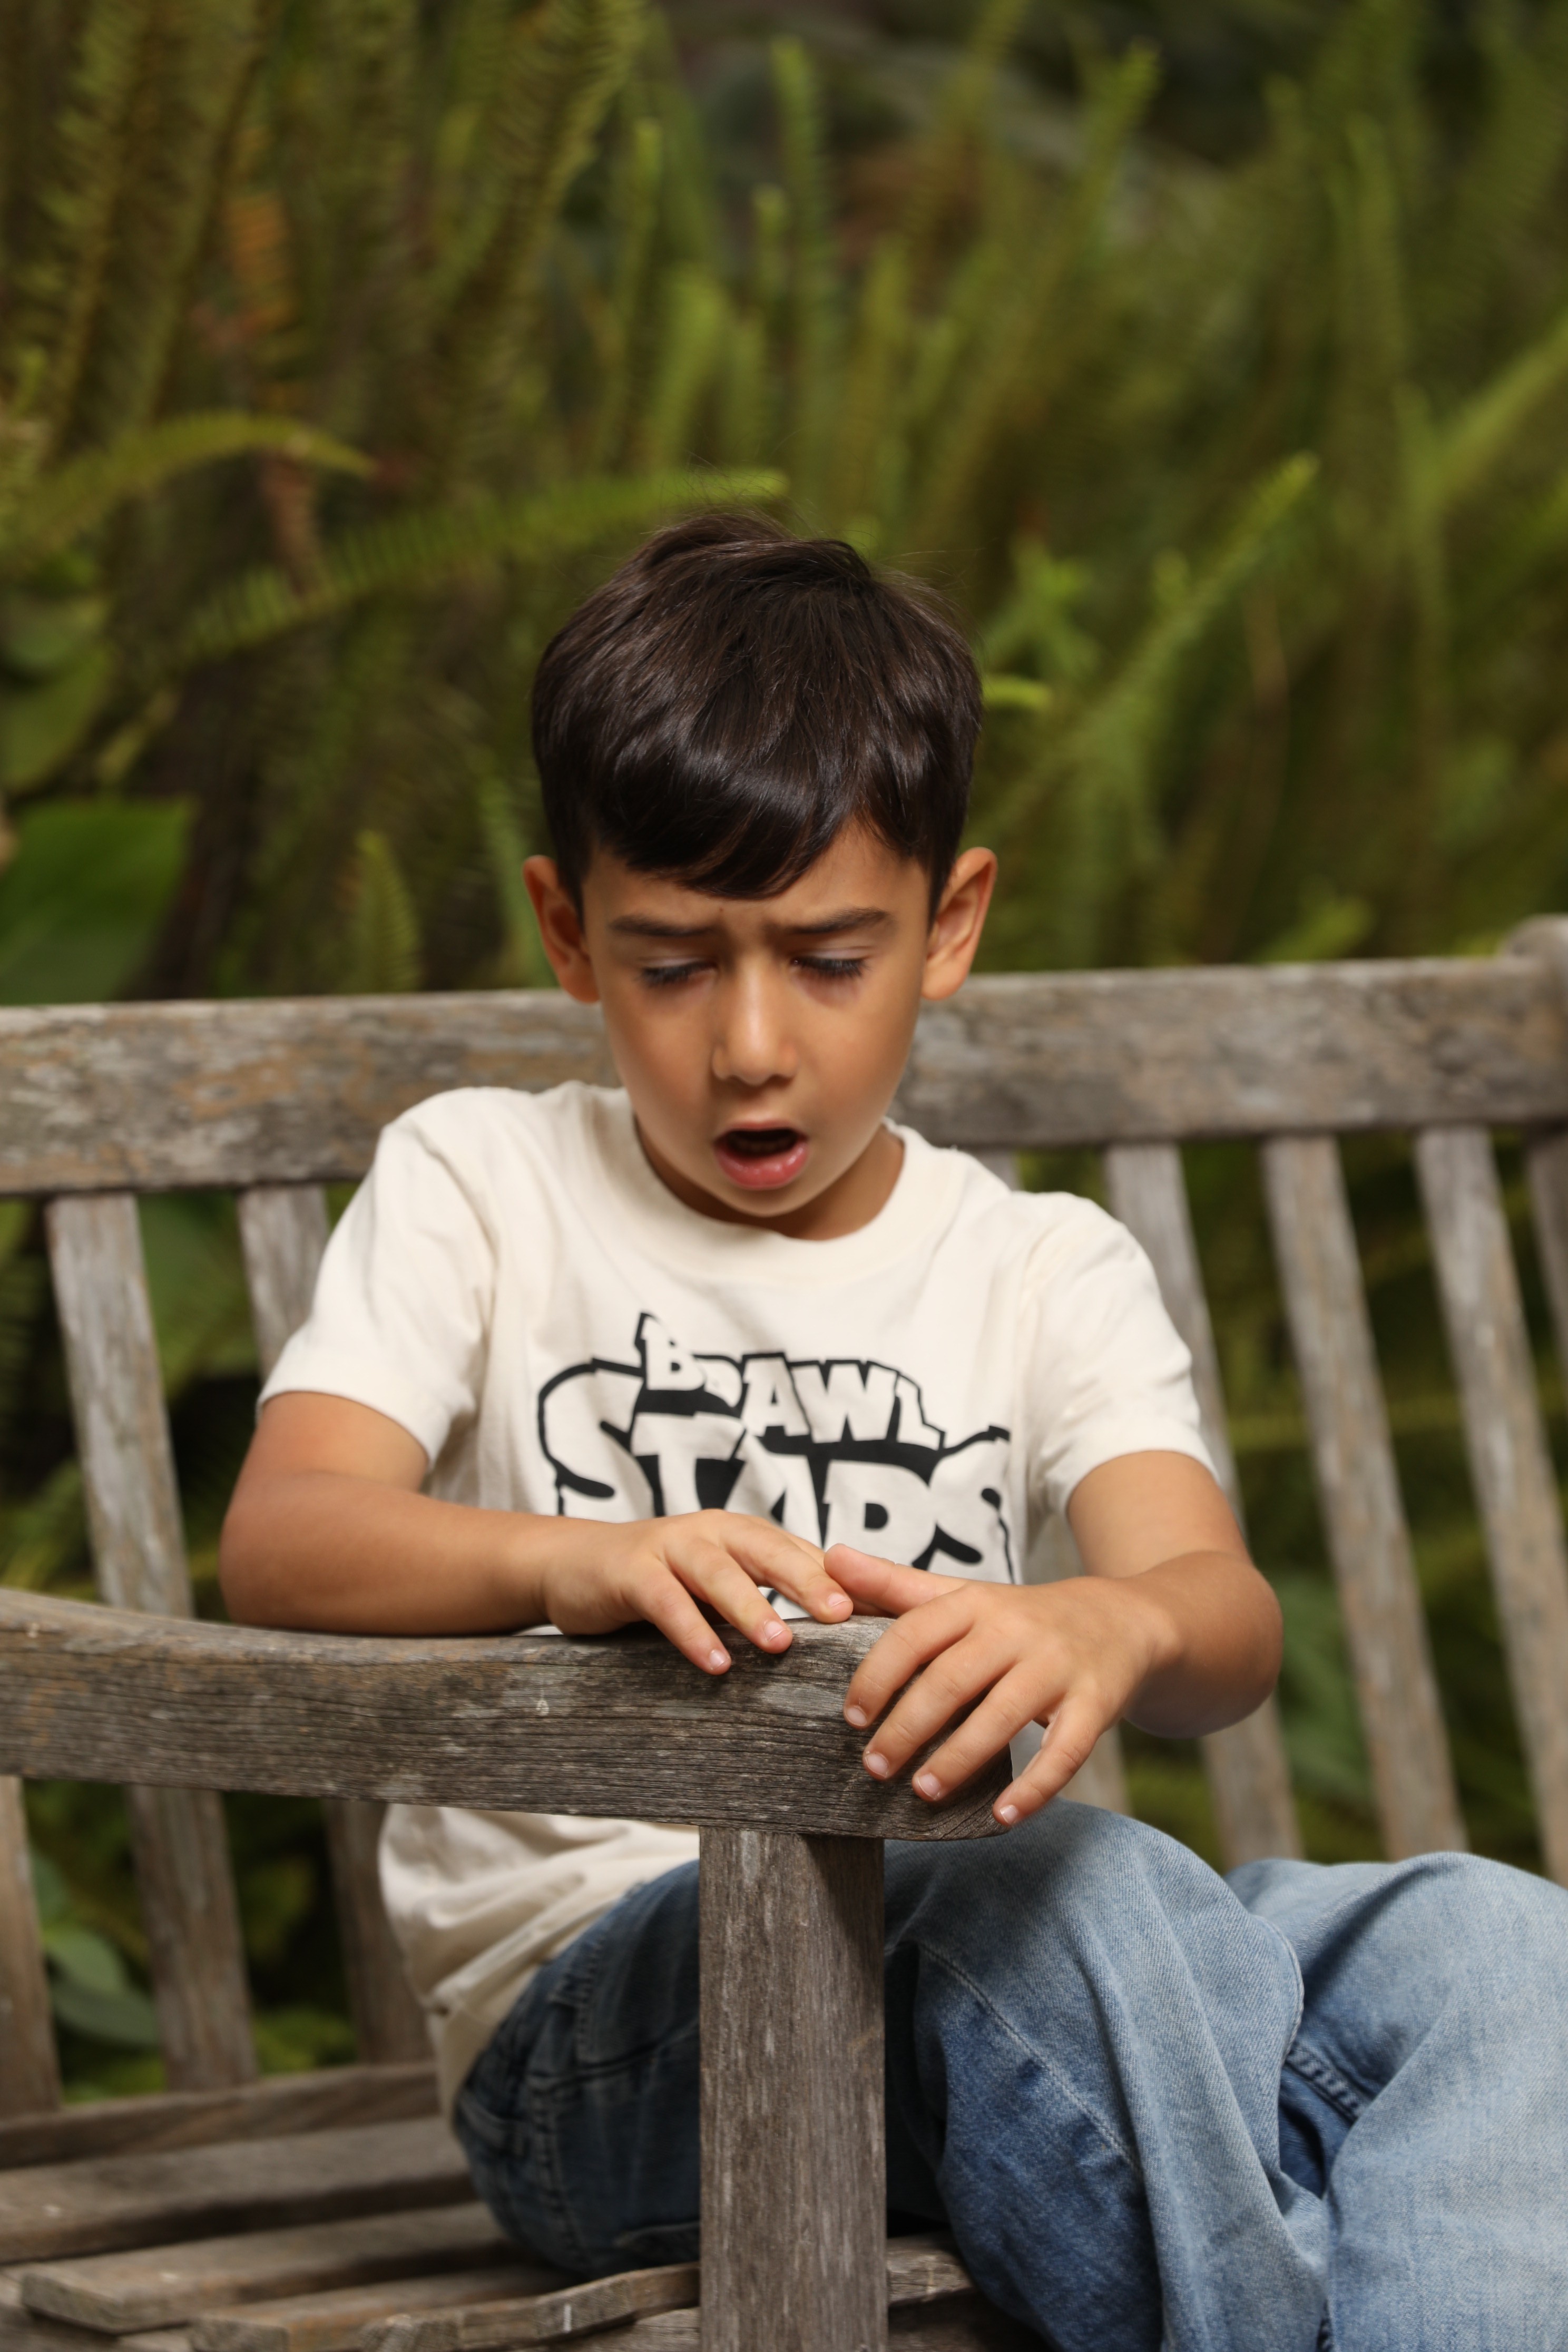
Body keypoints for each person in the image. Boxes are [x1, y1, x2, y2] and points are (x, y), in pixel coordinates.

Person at [220, 514, 1568, 2352]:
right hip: (610, 2028)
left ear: (951, 925)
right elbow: (286, 1534)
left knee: (1494, 1948)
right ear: (568, 932)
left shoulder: (1039, 1266)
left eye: (827, 959)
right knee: (1056, 1903)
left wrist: (1116, 1619)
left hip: (1031, 1967)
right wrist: (578, 1559)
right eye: (673, 964)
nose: (749, 1044)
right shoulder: (482, 1185)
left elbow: (1221, 1621)